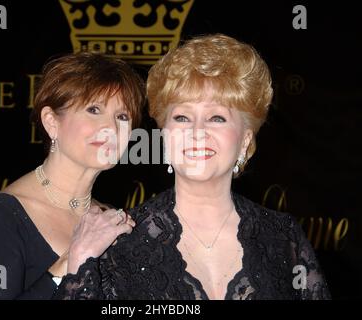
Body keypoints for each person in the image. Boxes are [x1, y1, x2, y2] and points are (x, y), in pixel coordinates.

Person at [52, 34, 331, 300]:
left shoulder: (284, 237)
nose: (197, 132)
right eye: (183, 117)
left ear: (245, 139)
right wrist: (80, 261)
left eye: (217, 118)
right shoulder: (119, 241)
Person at [0, 52, 144, 299]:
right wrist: (71, 263)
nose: (111, 128)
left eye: (122, 117)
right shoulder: (1, 216)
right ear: (51, 122)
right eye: (94, 109)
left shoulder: (109, 220)